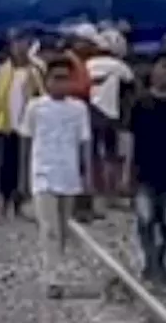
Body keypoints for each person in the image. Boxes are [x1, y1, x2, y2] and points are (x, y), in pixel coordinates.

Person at [21, 58, 93, 298]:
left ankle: (57, 269)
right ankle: (52, 278)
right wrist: (22, 177)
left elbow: (85, 143)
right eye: (56, 78)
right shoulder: (35, 107)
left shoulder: (79, 109)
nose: (60, 83)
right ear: (47, 81)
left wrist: (88, 176)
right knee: (49, 227)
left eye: (65, 78)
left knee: (62, 228)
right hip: (42, 174)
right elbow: (26, 140)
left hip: (69, 174)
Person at [124, 51, 166, 286]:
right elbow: (130, 140)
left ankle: (161, 264)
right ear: (153, 70)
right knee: (145, 220)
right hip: (144, 174)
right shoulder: (140, 104)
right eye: (162, 66)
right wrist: (126, 172)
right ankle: (149, 263)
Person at [0, 29, 43, 219]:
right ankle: (4, 202)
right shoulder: (2, 71)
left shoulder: (35, 71)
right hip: (5, 125)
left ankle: (22, 202)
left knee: (25, 166)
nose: (19, 48)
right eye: (15, 44)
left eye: (23, 43)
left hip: (27, 126)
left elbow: (41, 96)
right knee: (5, 166)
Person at [87, 28, 135, 210]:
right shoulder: (121, 68)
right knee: (111, 156)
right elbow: (130, 92)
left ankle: (96, 193)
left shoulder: (87, 64)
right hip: (112, 115)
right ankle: (112, 193)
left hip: (90, 114)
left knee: (93, 156)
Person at [60, 23, 99, 222]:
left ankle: (83, 204)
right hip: (71, 115)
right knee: (77, 161)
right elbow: (75, 86)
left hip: (80, 112)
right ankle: (76, 206)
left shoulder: (80, 61)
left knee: (85, 160)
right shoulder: (69, 61)